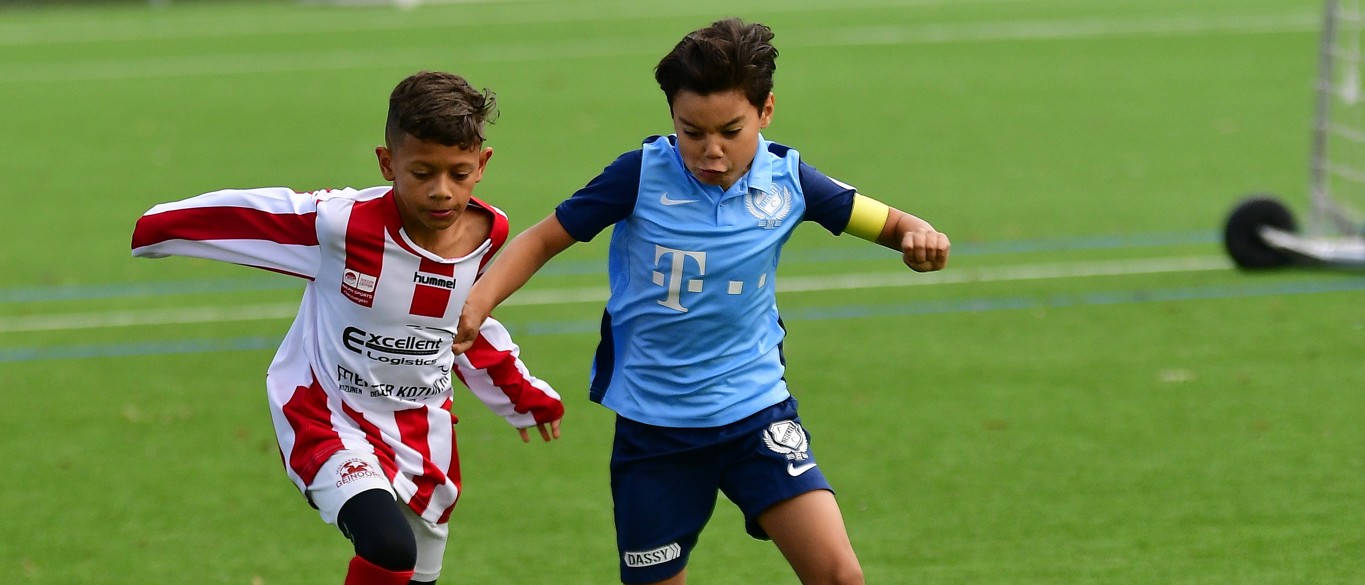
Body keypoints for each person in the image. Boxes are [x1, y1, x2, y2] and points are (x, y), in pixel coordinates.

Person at [452, 18, 950, 585]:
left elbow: (891, 223)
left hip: (757, 413)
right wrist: (479, 301)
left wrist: (919, 237)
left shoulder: (790, 180)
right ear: (672, 118)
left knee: (840, 576)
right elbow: (543, 239)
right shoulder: (639, 175)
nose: (711, 150)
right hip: (654, 431)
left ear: (765, 112)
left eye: (731, 131)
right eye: (692, 132)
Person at [131, 71, 564, 585]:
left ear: (483, 165)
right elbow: (254, 216)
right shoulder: (340, 224)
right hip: (326, 416)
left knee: (410, 571)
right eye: (421, 172)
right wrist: (158, 228)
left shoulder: (489, 237)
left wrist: (520, 393)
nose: (441, 191)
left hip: (422, 435)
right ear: (387, 163)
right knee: (388, 547)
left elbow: (467, 324)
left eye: (459, 173)